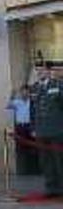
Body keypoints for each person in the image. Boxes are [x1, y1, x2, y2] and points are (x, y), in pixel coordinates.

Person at [30, 62, 63, 197]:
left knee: (59, 159)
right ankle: (50, 187)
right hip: (41, 130)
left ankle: (61, 187)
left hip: (57, 129)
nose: (39, 72)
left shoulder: (58, 85)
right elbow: (32, 110)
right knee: (45, 160)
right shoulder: (35, 87)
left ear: (48, 71)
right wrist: (33, 127)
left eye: (41, 70)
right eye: (37, 70)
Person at [7, 85, 39, 175]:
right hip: (20, 127)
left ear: (29, 92)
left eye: (27, 91)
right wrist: (12, 95)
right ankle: (22, 171)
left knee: (33, 149)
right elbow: (8, 106)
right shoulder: (17, 102)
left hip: (30, 127)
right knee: (21, 149)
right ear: (21, 93)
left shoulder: (32, 102)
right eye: (23, 92)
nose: (25, 93)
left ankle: (33, 170)